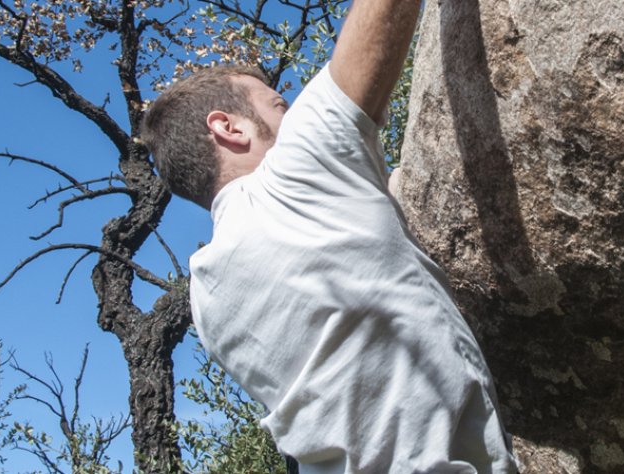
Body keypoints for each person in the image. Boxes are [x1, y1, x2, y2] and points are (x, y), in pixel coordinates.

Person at [141, 1, 518, 472]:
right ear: (228, 127)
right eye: (278, 105)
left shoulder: (206, 291)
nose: (292, 110)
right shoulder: (292, 176)